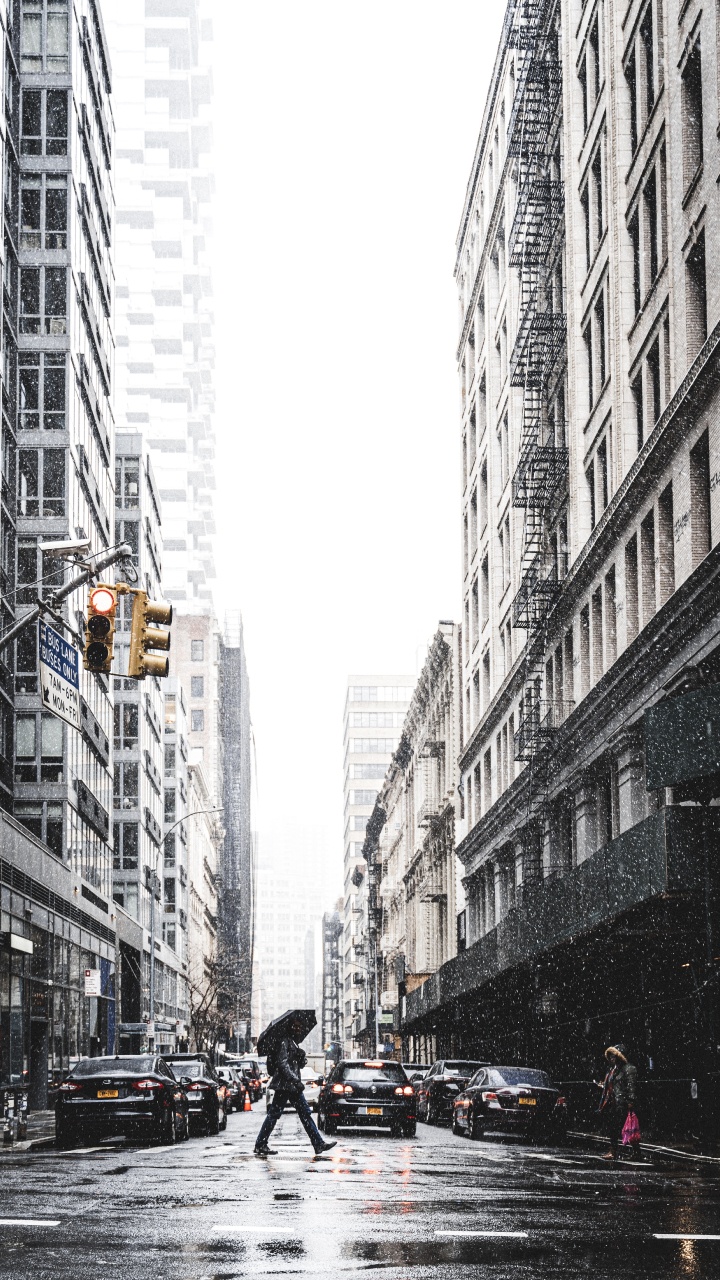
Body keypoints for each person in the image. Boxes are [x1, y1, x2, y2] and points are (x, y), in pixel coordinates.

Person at [254, 1021, 336, 1157]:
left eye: (299, 1027)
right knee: (275, 1114)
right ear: (290, 1028)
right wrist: (295, 1080)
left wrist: (301, 1058)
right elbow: (282, 1064)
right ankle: (260, 1144)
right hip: (285, 1085)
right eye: (296, 1026)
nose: (298, 1029)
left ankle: (318, 1144)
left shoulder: (293, 1043)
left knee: (305, 1113)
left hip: (291, 1086)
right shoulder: (284, 1042)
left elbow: (295, 1065)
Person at [597, 1043, 639, 1160]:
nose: (611, 1058)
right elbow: (613, 1085)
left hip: (623, 1103)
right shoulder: (613, 1070)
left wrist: (630, 1101)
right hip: (613, 1103)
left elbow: (631, 1086)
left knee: (629, 1128)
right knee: (614, 1128)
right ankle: (614, 1151)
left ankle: (636, 1151)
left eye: (614, 1055)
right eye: (610, 1056)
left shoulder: (628, 1068)